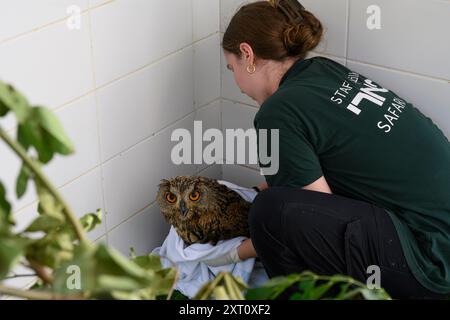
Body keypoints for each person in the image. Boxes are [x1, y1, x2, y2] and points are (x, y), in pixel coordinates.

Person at [214, 0, 450, 299]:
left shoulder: (278, 112)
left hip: (427, 268)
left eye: (231, 67)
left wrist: (230, 255)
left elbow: (307, 214)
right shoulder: (322, 71)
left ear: (247, 54)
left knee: (269, 213)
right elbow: (323, 169)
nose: (237, 83)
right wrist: (245, 193)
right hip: (439, 238)